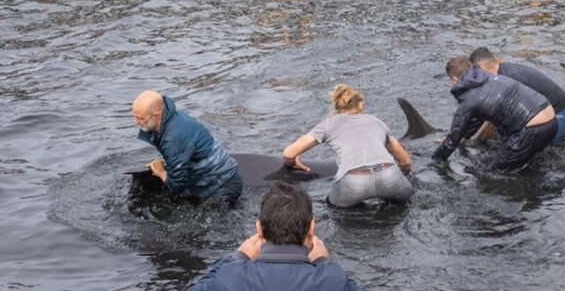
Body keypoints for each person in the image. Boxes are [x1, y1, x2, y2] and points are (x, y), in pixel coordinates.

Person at [188, 182, 362, 291]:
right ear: (311, 228)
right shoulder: (333, 279)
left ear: (259, 229)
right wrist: (323, 262)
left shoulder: (229, 277)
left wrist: (238, 256)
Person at [281, 84, 413, 208]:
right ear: (360, 104)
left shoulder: (327, 124)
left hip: (354, 182)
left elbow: (288, 153)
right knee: (404, 204)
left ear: (336, 105)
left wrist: (291, 163)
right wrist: (405, 175)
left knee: (333, 208)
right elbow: (405, 161)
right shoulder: (376, 121)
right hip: (389, 176)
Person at [432, 56, 558, 172]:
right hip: (550, 117)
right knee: (522, 161)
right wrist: (464, 137)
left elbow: (453, 138)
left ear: (454, 80)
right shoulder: (489, 77)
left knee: (497, 172)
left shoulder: (468, 100)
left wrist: (435, 160)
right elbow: (478, 115)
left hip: (533, 128)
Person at [132, 90, 243, 206]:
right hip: (215, 178)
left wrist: (161, 173)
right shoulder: (170, 117)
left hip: (224, 185)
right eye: (134, 117)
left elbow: (177, 186)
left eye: (140, 118)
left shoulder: (173, 138)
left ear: (156, 116)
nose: (135, 122)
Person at [469, 47, 565, 145]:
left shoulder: (507, 81)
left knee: (543, 148)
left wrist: (476, 141)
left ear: (482, 68)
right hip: (555, 107)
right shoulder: (505, 69)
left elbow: (495, 118)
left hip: (562, 113)